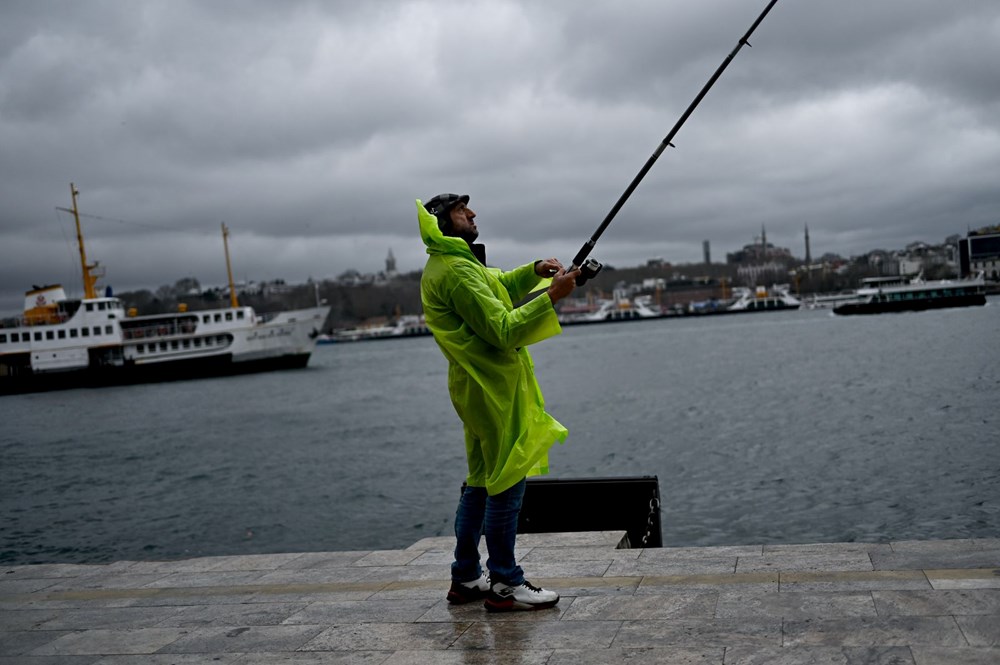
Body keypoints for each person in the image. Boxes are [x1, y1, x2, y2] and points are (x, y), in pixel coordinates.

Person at [417, 193, 580, 612]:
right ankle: (506, 582)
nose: (472, 214)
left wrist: (533, 272)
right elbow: (504, 329)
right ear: (443, 222)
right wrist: (551, 296)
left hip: (475, 387)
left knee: (480, 481)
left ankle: (466, 576)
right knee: (506, 481)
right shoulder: (456, 271)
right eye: (461, 210)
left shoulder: (455, 263)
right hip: (491, 389)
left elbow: (498, 287)